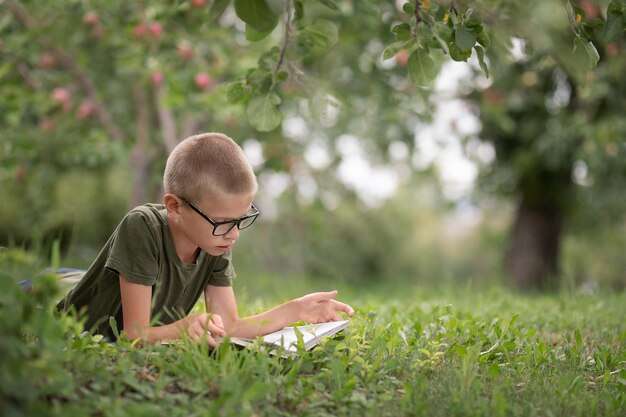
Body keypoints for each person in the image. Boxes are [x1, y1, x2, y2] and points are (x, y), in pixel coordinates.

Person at [56, 132, 354, 346]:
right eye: (224, 223)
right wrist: (183, 328)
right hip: (56, 305)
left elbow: (232, 325)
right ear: (175, 206)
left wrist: (295, 310)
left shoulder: (216, 241)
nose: (234, 234)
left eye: (240, 221)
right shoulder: (142, 225)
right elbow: (133, 335)